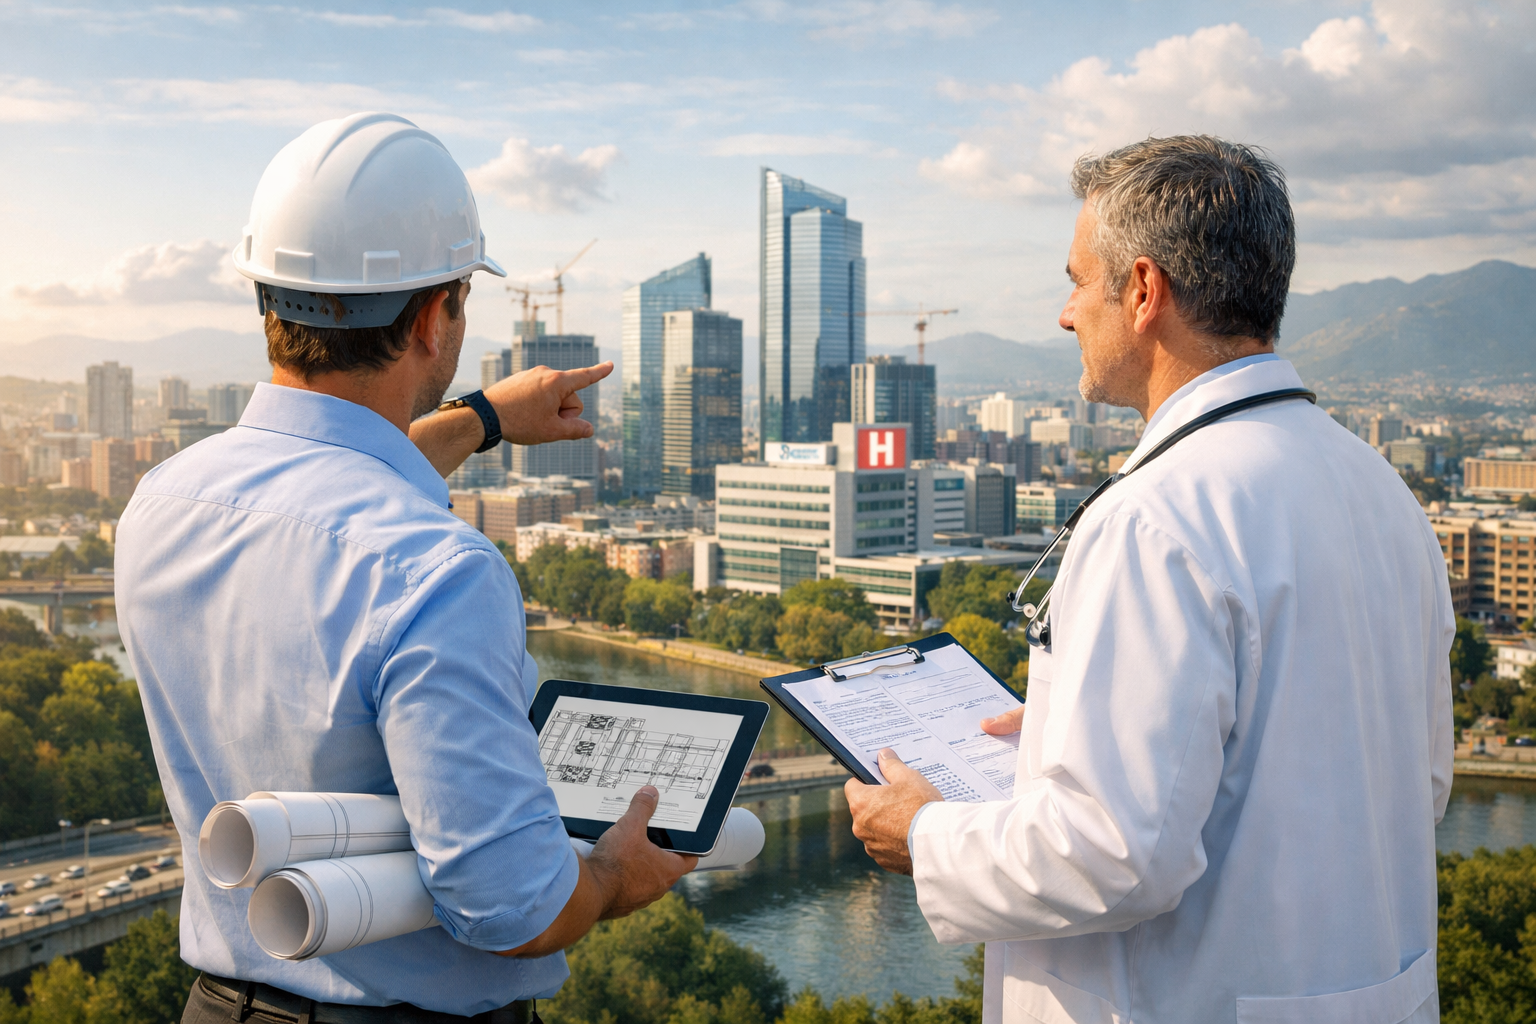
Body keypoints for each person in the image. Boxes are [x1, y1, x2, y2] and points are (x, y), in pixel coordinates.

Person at [846, 135, 1453, 1023]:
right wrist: (1073, 731)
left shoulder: (1156, 515)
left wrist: (925, 834)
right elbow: (1416, 778)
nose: (1064, 313)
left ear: (1141, 291)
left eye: (1076, 280)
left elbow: (1112, 856)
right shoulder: (1378, 485)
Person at [115, 113, 695, 1024]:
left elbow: (328, 486)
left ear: (267, 298)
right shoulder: (440, 573)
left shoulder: (163, 501)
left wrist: (484, 420)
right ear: (435, 318)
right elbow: (513, 907)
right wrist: (616, 873)